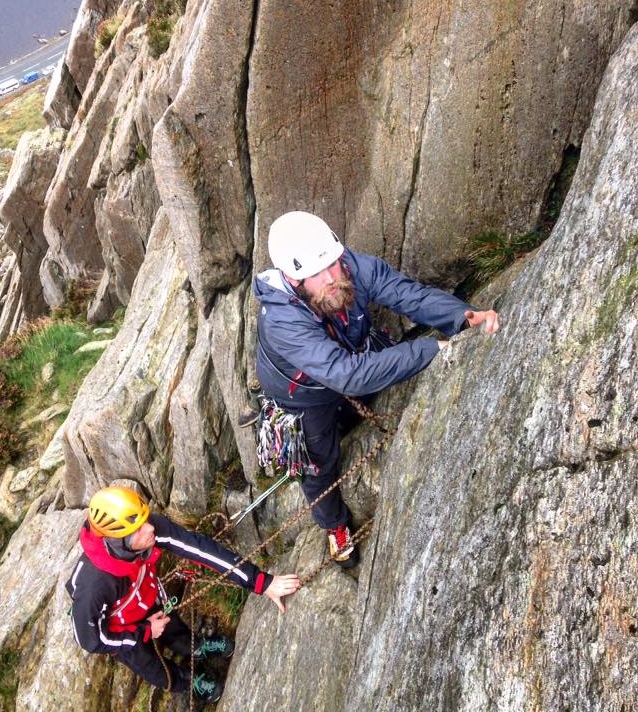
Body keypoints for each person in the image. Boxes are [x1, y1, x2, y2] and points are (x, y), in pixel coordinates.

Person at [253, 211, 499, 567]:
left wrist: (462, 317)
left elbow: (402, 292)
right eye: (320, 274)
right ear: (292, 277)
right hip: (304, 397)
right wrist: (429, 349)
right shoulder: (281, 320)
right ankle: (333, 523)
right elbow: (346, 375)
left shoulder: (340, 265)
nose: (334, 278)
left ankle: (351, 416)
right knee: (319, 461)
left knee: (367, 394)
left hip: (349, 356)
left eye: (334, 264)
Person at [67, 485, 301, 703]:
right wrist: (145, 630)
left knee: (174, 628)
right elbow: (89, 639)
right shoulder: (94, 585)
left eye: (145, 519)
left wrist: (261, 582)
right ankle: (188, 683)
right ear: (120, 543)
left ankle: (197, 647)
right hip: (120, 630)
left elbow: (200, 549)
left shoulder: (148, 530)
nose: (150, 528)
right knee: (154, 669)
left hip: (147, 598)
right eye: (138, 529)